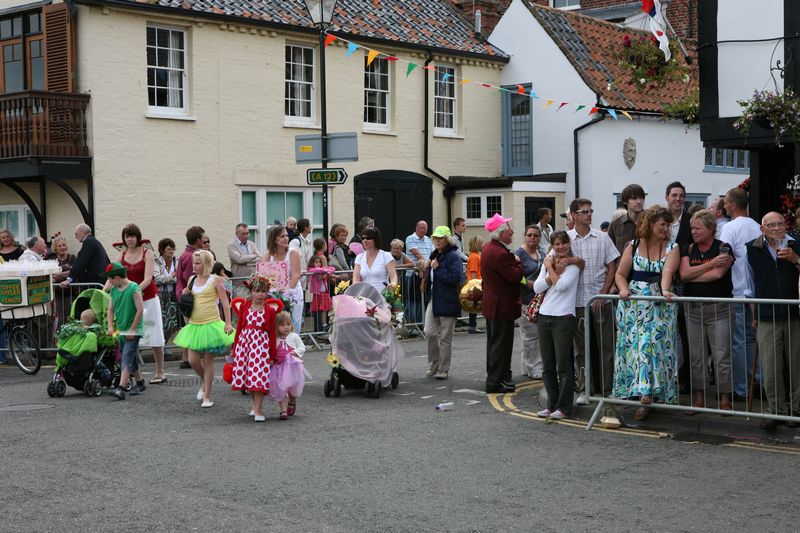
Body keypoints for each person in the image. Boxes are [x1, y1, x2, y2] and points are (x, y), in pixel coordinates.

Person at [613, 205, 680, 420]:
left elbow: (667, 273)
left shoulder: (673, 247)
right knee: (638, 348)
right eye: (663, 224)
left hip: (659, 306)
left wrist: (666, 290)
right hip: (633, 306)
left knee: (655, 349)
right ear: (650, 224)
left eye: (668, 225)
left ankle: (653, 393)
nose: (666, 229)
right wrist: (623, 289)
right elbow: (620, 274)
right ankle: (643, 395)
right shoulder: (632, 246)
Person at [746, 212, 800, 429]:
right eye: (772, 225)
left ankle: (796, 409)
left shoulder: (796, 243)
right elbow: (748, 285)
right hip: (767, 313)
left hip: (795, 312)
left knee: (796, 363)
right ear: (762, 229)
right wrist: (754, 314)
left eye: (780, 224)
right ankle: (775, 410)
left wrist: (796, 259)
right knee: (770, 366)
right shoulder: (753, 248)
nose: (777, 228)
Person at [678, 209, 734, 412]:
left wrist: (696, 273)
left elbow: (718, 274)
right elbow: (684, 274)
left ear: (710, 229)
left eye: (697, 228)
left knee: (722, 355)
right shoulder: (687, 249)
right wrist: (709, 264)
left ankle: (724, 398)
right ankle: (699, 398)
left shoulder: (724, 247)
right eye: (692, 228)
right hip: (693, 310)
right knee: (696, 356)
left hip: (719, 309)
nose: (693, 231)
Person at [567, 199, 620, 401]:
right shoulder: (567, 239)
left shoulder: (602, 237)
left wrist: (603, 294)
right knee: (581, 349)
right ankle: (584, 390)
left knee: (606, 347)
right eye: (584, 211)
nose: (589, 215)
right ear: (574, 215)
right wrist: (572, 260)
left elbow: (612, 267)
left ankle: (608, 390)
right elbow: (555, 262)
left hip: (600, 301)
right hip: (577, 302)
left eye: (591, 211)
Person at [174, 250, 235, 408]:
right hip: (195, 325)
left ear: (206, 264)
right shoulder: (191, 279)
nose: (194, 266)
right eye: (193, 263)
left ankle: (207, 395)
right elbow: (190, 300)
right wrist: (186, 293)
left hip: (211, 324)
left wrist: (228, 323)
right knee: (193, 360)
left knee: (208, 360)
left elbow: (225, 302)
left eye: (197, 263)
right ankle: (205, 381)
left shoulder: (216, 280)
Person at [107, 224, 167, 385]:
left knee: (154, 335)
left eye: (132, 236)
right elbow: (112, 275)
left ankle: (160, 371)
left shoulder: (148, 253)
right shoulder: (122, 254)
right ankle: (135, 374)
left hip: (148, 297)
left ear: (138, 237)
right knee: (129, 337)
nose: (130, 239)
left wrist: (132, 291)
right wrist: (103, 291)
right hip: (130, 302)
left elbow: (148, 278)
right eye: (127, 236)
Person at [718, 188, 762, 400]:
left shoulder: (729, 228)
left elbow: (724, 258)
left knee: (739, 341)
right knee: (756, 340)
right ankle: (760, 383)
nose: (724, 206)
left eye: (725, 203)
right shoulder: (758, 226)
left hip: (738, 292)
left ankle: (742, 389)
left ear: (733, 205)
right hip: (758, 292)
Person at [534, 231, 581, 420]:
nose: (560, 247)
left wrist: (553, 271)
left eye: (563, 243)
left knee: (564, 366)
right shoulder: (548, 263)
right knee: (548, 366)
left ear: (568, 244)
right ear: (552, 245)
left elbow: (562, 287)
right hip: (544, 316)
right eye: (556, 244)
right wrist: (551, 274)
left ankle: (564, 407)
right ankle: (551, 405)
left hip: (563, 317)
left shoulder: (574, 266)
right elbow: (537, 287)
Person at [481, 213, 524, 394]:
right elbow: (514, 276)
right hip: (501, 305)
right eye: (509, 230)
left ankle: (498, 378)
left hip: (494, 303)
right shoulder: (499, 252)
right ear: (501, 233)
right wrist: (519, 264)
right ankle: (495, 382)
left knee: (495, 344)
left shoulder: (489, 248)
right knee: (500, 346)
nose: (512, 232)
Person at [231, 273, 279, 422]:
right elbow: (239, 328)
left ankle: (258, 409)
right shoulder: (245, 306)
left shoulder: (270, 310)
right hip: (245, 345)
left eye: (263, 291)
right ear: (251, 291)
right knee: (250, 378)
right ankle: (254, 406)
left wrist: (272, 354)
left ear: (267, 293)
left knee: (258, 377)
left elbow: (272, 333)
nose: (260, 294)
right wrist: (236, 347)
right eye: (257, 291)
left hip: (261, 347)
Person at [423, 226, 462, 380]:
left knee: (445, 337)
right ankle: (434, 363)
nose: (437, 241)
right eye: (435, 238)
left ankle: (443, 368)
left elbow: (455, 278)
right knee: (429, 332)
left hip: (448, 300)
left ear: (447, 239)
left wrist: (438, 269)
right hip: (434, 299)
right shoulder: (435, 255)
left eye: (440, 238)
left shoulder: (453, 256)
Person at [103, 262, 145, 400]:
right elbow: (110, 309)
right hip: (122, 329)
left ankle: (121, 388)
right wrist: (110, 326)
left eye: (110, 278)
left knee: (126, 356)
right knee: (129, 356)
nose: (108, 282)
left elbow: (140, 310)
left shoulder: (134, 288)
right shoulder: (114, 290)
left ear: (117, 277)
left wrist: (132, 330)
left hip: (134, 330)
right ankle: (139, 382)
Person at [261, 225, 304, 332]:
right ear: (274, 239)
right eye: (282, 236)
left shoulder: (293, 253)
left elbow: (296, 275)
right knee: (275, 326)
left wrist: (286, 293)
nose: (286, 238)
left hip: (293, 292)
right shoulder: (267, 256)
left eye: (286, 235)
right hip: (274, 294)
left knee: (292, 325)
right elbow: (263, 276)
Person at [515, 225, 544, 378]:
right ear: (524, 236)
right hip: (525, 300)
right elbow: (515, 274)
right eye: (530, 235)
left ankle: (528, 366)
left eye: (535, 235)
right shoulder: (518, 254)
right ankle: (532, 368)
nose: (532, 238)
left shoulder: (542, 253)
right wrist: (528, 283)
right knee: (529, 336)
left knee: (537, 336)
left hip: (539, 300)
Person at [175, 226, 205, 368]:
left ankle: (185, 357)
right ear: (198, 239)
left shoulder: (184, 254)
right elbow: (190, 278)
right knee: (192, 327)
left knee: (188, 327)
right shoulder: (191, 256)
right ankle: (188, 357)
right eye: (202, 237)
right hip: (190, 298)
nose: (204, 240)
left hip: (183, 296)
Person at [270, 310, 308, 420]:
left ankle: (292, 401)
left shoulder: (294, 336)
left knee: (292, 390)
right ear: (277, 326)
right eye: (282, 325)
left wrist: (295, 352)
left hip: (292, 368)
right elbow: (271, 350)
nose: (286, 327)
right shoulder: (275, 338)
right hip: (278, 368)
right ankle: (283, 411)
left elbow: (302, 347)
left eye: (288, 324)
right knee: (281, 389)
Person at [352, 227, 397, 293]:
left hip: (382, 295)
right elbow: (356, 278)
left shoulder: (386, 256)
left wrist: (393, 284)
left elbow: (393, 276)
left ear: (376, 239)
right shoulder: (359, 257)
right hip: (364, 296)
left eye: (368, 238)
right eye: (363, 238)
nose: (365, 240)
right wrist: (356, 289)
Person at [405, 220, 433, 324]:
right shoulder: (410, 238)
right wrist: (427, 264)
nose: (424, 230)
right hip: (412, 274)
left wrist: (427, 266)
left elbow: (433, 253)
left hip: (425, 274)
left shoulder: (428, 239)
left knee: (422, 299)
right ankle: (411, 324)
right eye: (421, 228)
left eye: (425, 228)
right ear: (416, 228)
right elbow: (417, 254)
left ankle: (420, 322)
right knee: (411, 300)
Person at [608, 183, 646, 256]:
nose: (639, 202)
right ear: (625, 201)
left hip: (644, 266)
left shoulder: (652, 222)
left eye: (641, 198)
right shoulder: (615, 224)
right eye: (634, 198)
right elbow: (609, 253)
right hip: (622, 266)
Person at [48, 235, 77, 327]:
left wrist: (58, 274)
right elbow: (49, 275)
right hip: (56, 294)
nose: (62, 248)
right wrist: (66, 273)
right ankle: (60, 339)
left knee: (70, 318)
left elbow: (73, 272)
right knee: (59, 319)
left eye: (64, 245)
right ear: (55, 248)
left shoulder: (72, 258)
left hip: (70, 293)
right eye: (59, 246)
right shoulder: (51, 259)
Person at [154, 238, 179, 343]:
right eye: (169, 249)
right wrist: (171, 276)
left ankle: (165, 342)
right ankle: (161, 344)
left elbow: (179, 277)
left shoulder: (177, 261)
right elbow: (157, 278)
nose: (172, 251)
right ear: (162, 250)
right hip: (160, 295)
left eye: (173, 249)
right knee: (161, 321)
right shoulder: (157, 261)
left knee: (172, 321)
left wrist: (167, 278)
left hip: (173, 294)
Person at [227, 223, 261, 290]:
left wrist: (246, 262)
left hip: (253, 281)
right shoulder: (231, 245)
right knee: (240, 300)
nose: (246, 236)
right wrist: (253, 256)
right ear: (237, 233)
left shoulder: (252, 244)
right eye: (243, 233)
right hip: (240, 283)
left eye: (247, 233)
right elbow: (239, 259)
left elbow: (260, 258)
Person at [307, 255, 333, 333]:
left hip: (324, 292)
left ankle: (324, 325)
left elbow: (332, 268)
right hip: (317, 293)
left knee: (324, 310)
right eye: (316, 262)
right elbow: (313, 270)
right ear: (312, 263)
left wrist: (326, 272)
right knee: (318, 310)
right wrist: (325, 271)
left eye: (320, 262)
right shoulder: (312, 270)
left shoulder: (323, 271)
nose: (318, 264)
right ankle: (319, 328)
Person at [466, 235, 484, 334]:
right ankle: (472, 326)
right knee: (475, 305)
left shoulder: (474, 256)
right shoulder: (474, 257)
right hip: (475, 283)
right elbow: (473, 272)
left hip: (476, 283)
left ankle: (472, 326)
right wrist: (474, 286)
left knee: (475, 305)